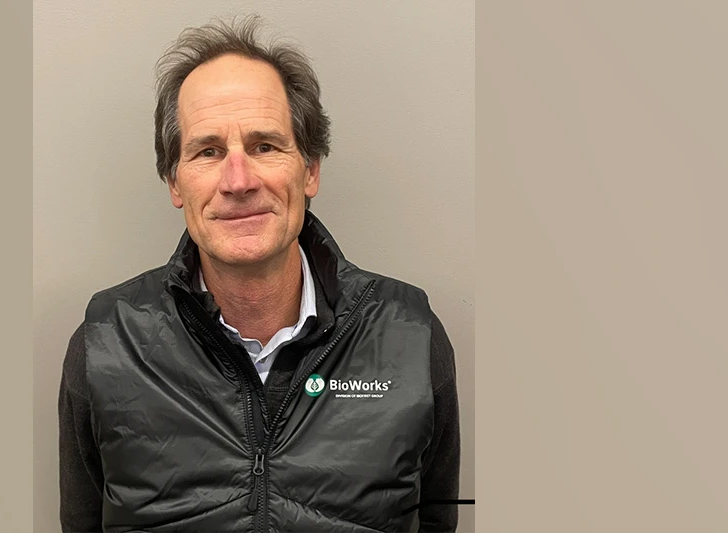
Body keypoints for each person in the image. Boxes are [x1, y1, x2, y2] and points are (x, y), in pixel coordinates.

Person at [59, 15, 461, 533]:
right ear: (174, 182)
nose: (238, 180)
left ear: (310, 168)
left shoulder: (411, 338)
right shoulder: (107, 345)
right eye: (207, 151)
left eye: (264, 146)